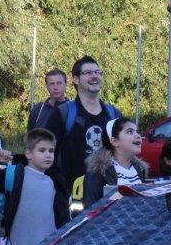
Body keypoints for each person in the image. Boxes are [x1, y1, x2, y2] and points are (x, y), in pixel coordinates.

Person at [0, 128, 70, 245]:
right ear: (28, 153)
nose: (48, 155)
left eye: (51, 151)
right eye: (42, 150)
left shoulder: (56, 181)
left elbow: (63, 214)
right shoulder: (13, 175)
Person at [45, 56, 121, 190]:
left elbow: (123, 153)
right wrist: (62, 190)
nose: (94, 76)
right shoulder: (63, 114)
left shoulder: (113, 114)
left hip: (109, 193)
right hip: (73, 195)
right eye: (88, 73)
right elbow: (46, 155)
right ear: (76, 79)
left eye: (97, 72)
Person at [83, 118, 149, 206]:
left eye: (137, 132)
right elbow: (91, 209)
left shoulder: (140, 169)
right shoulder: (99, 171)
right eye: (130, 131)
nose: (138, 136)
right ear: (114, 141)